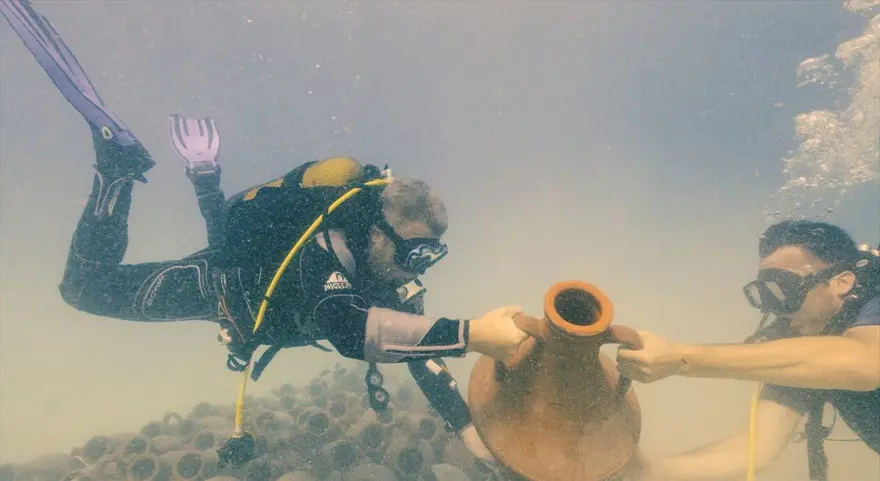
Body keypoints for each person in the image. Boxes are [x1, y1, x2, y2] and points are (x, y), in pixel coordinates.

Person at [2, 0, 526, 471]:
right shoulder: (327, 252)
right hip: (216, 287)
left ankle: (185, 176)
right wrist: (473, 332)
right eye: (414, 250)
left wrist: (472, 436)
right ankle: (116, 170)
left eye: (432, 254)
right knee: (82, 288)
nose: (419, 266)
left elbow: (424, 358)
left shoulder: (388, 275)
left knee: (208, 250)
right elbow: (346, 330)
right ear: (377, 229)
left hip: (248, 290)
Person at [616, 220, 880, 480]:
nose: (775, 309)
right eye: (765, 294)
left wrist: (681, 359)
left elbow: (867, 362)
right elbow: (754, 451)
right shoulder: (801, 351)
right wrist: (643, 470)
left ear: (842, 283)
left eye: (784, 289)